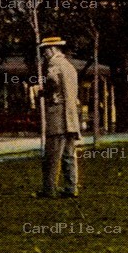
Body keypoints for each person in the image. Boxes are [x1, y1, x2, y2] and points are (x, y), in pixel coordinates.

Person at [37, 36, 81, 198]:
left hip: (57, 116)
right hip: (70, 117)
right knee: (69, 155)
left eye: (45, 51)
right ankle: (71, 187)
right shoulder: (70, 67)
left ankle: (49, 189)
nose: (45, 54)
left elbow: (53, 82)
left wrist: (43, 92)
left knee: (52, 156)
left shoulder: (54, 65)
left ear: (52, 49)